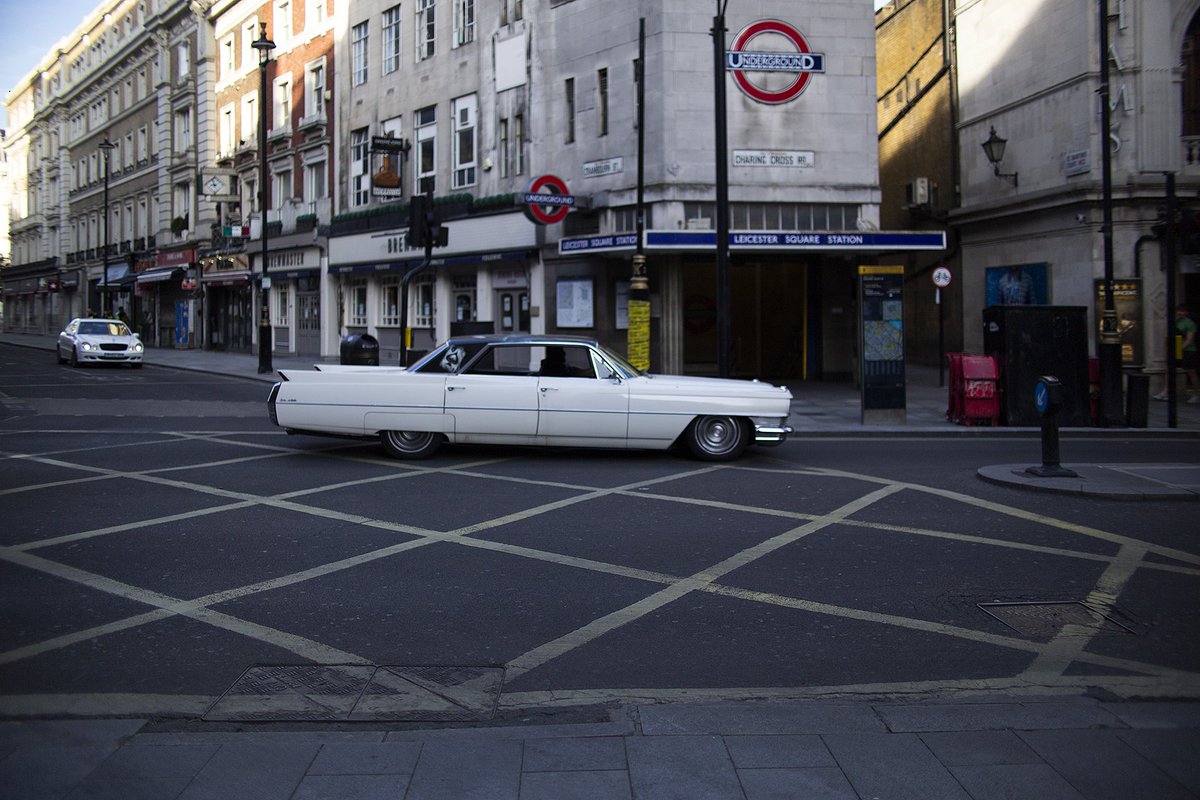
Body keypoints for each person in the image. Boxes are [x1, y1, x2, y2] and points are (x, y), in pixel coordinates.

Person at [1155, 304, 1199, 403]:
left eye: (1182, 311)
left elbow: (1189, 339)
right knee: (1169, 369)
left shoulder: (1190, 323)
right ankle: (1166, 392)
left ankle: (1196, 393)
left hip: (1188, 350)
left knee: (1191, 371)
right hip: (1176, 348)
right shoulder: (1175, 322)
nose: (1180, 313)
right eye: (1179, 311)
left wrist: (1180, 349)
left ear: (1186, 312)